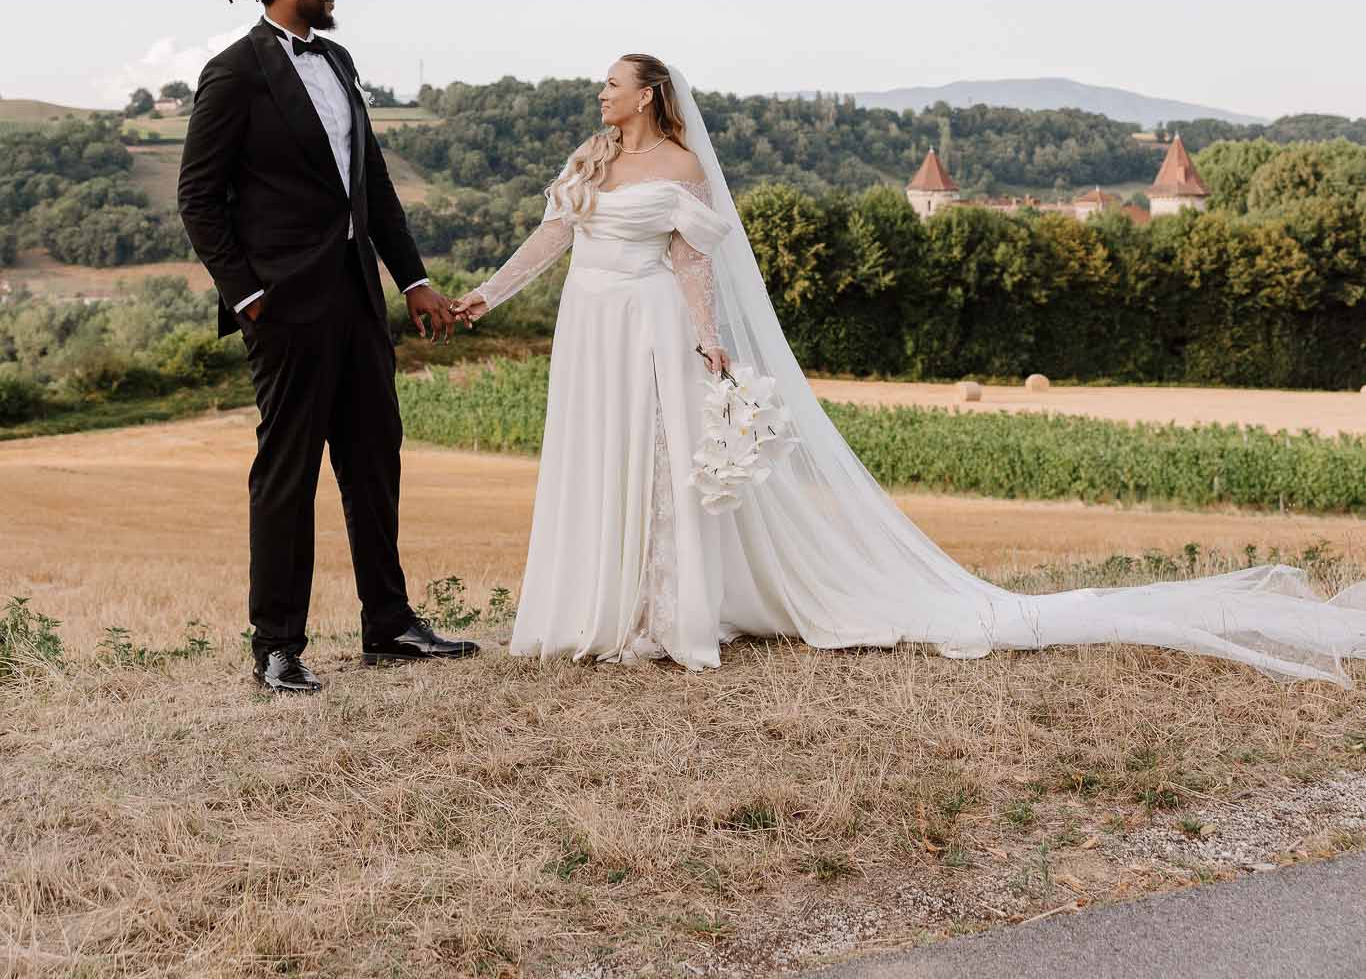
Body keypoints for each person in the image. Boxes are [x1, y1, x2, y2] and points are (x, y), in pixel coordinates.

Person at [454, 55, 1366, 683]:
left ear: (650, 94)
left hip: (649, 320)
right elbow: (549, 239)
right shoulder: (591, 157)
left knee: (654, 461)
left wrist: (708, 339)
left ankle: (657, 611)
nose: (597, 94)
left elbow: (694, 262)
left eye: (610, 85)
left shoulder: (684, 165)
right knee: (595, 456)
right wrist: (482, 300)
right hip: (590, 322)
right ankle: (589, 609)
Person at [178, 0, 478, 694]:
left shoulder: (338, 62)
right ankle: (277, 645)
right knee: (287, 475)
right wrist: (248, 299)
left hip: (357, 299)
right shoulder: (235, 72)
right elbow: (198, 199)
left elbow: (371, 186)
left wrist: (411, 282)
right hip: (283, 310)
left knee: (375, 459)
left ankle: (390, 624)